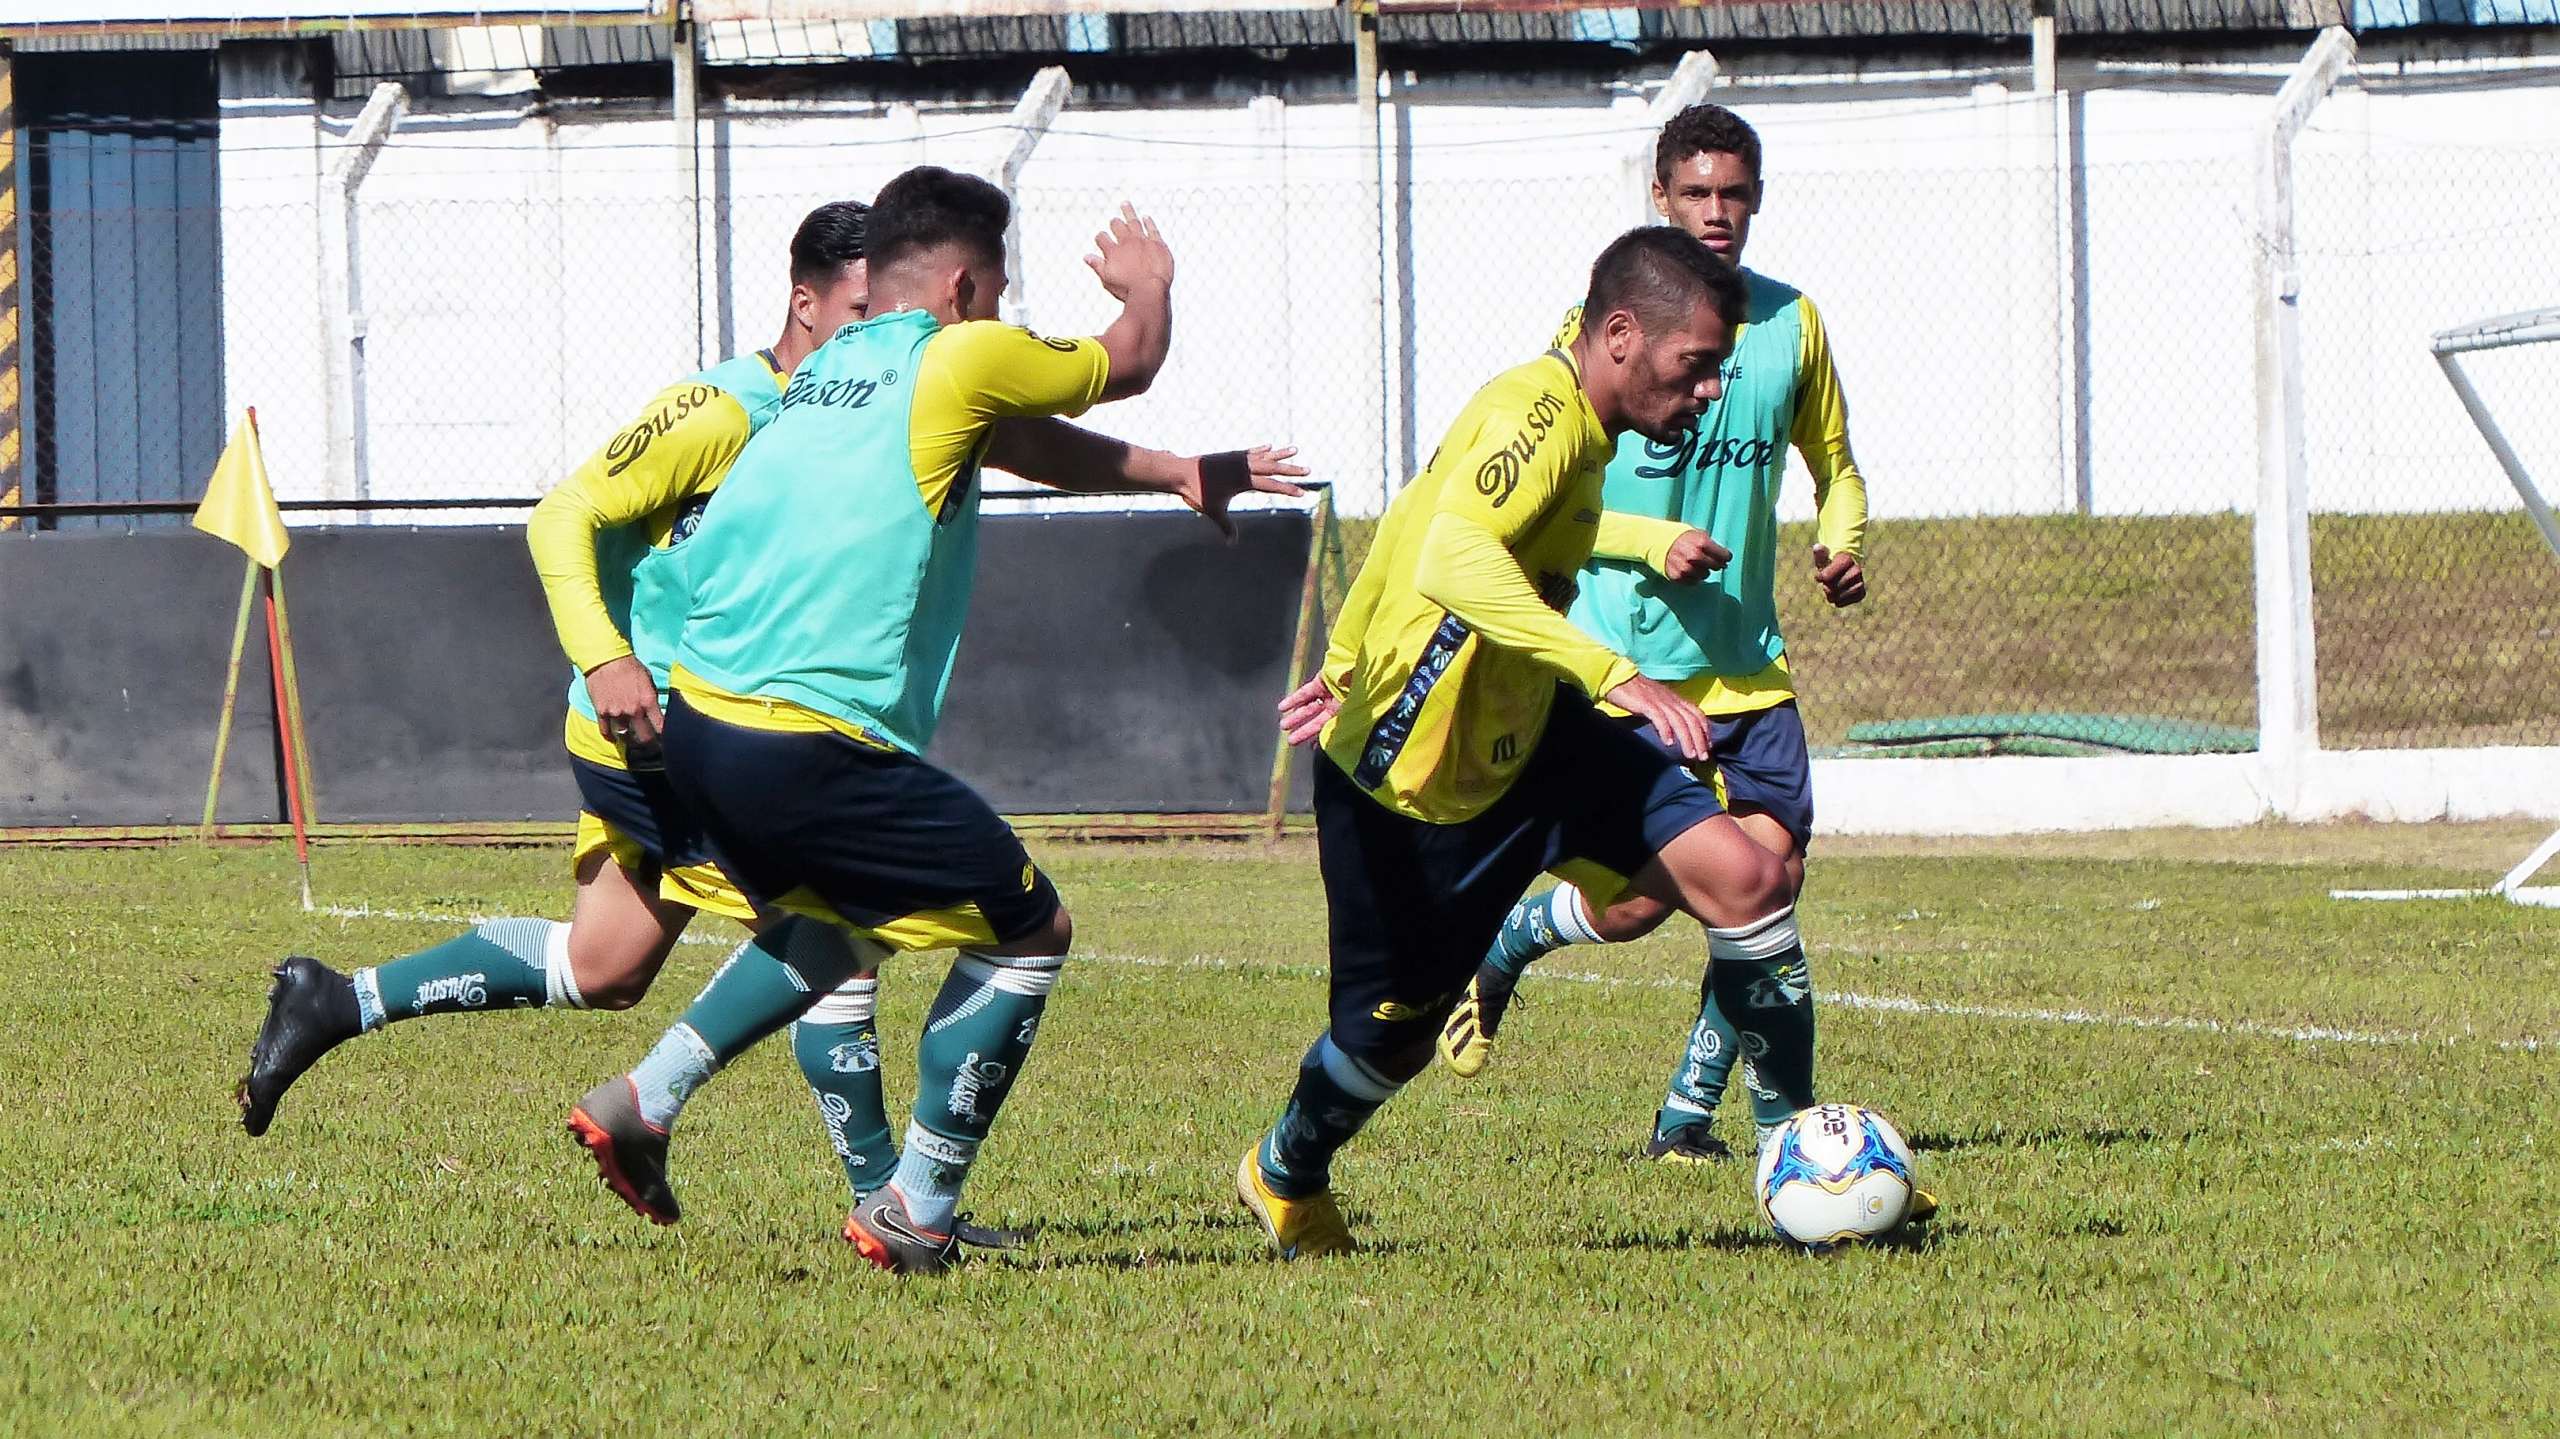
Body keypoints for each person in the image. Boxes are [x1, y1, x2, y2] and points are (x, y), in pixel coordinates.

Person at [566, 165, 1305, 1275]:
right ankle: (914, 1202)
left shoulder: (830, 373)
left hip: (702, 727)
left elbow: (1013, 439)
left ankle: (644, 1099)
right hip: (806, 738)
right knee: (1032, 929)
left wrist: (1174, 474)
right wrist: (1147, 282)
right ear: (964, 284)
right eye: (999, 291)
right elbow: (1130, 359)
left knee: (845, 923)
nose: (1002, 313)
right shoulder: (956, 349)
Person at [1234, 225, 1796, 1258]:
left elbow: (1410, 511)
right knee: (1389, 1038)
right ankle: (1284, 1168)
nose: (1710, 389)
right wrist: (1612, 670)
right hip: (1415, 779)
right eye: (1697, 366)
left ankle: (1802, 1157)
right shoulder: (1536, 420)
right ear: (1620, 336)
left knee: (1751, 875)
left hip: (1536, 735)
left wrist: (1350, 644)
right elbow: (1450, 554)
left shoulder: (1577, 426)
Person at [1432, 104, 1889, 1174]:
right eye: (1696, 193)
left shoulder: (1792, 326)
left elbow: (1840, 466)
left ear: (1757, 200)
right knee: (1636, 904)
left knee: (1767, 879)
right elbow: (1545, 494)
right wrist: (1648, 543)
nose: (1717, 212)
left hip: (1747, 670)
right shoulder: (1601, 331)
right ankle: (1508, 942)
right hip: (1626, 671)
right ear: (1659, 197)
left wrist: (1839, 540)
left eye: (1734, 193)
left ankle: (1698, 1114)